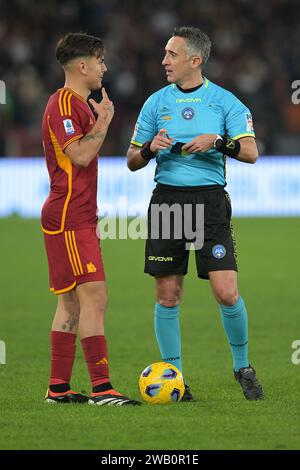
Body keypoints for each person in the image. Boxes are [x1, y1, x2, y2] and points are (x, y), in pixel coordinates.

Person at [127, 26, 264, 401]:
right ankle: (177, 378)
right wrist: (151, 149)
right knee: (168, 296)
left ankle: (243, 367)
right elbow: (131, 161)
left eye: (171, 54)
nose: (164, 61)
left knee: (226, 292)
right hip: (168, 201)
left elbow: (251, 152)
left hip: (210, 203)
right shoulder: (155, 103)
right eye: (165, 54)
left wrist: (218, 142)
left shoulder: (225, 102)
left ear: (194, 60)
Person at [42, 32, 140, 406]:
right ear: (82, 66)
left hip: (75, 214)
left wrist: (98, 118)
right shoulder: (65, 104)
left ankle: (58, 388)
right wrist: (105, 121)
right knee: (95, 297)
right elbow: (80, 156)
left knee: (71, 303)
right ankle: (102, 389)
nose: (105, 67)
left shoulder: (76, 104)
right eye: (100, 60)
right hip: (70, 217)